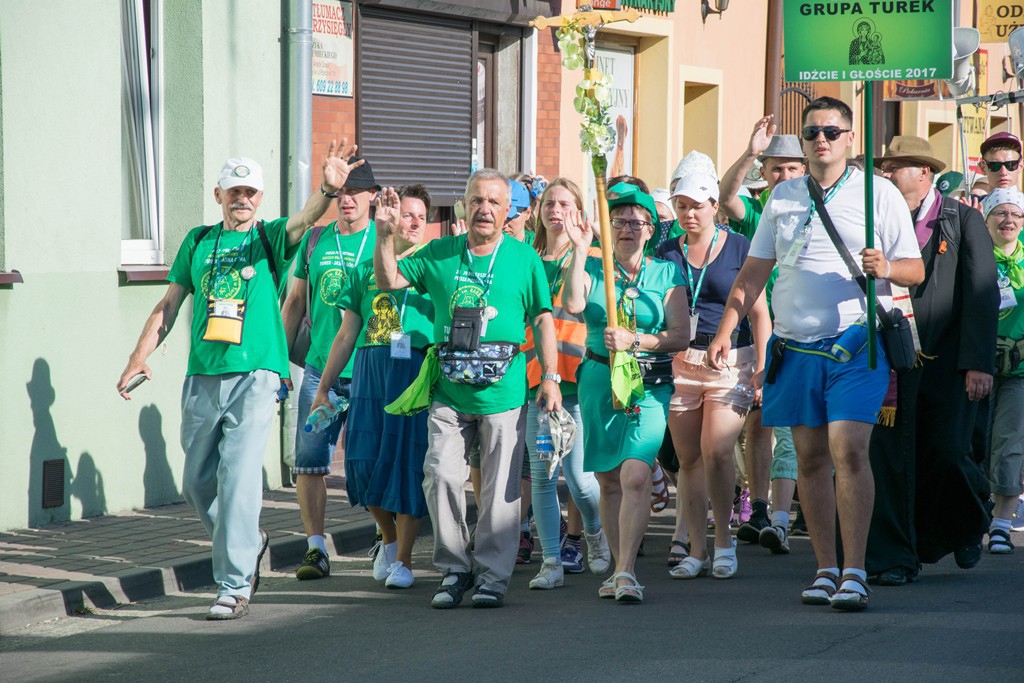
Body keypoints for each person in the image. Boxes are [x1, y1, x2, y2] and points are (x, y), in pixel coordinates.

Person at [116, 143, 360, 619]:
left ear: (260, 197)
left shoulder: (269, 239)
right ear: (218, 195)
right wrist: (138, 357)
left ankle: (233, 584)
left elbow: (302, 220)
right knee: (196, 482)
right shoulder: (198, 241)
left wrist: (328, 189)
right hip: (204, 374)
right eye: (234, 191)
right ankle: (248, 542)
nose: (241, 198)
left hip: (257, 374)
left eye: (250, 191)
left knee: (241, 479)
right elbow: (168, 305)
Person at [708, 96, 924, 611]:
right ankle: (825, 568)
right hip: (795, 348)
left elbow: (914, 269)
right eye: (811, 133)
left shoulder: (881, 195)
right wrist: (725, 330)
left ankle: (856, 570)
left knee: (849, 449)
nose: (820, 139)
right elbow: (753, 274)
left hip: (856, 343)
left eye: (831, 131)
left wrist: (887, 269)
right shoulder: (782, 196)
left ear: (851, 139)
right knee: (809, 457)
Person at [374, 168, 561, 609]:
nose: (485, 209)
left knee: (499, 491)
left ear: (508, 211)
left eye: (495, 202)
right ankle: (455, 570)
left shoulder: (523, 258)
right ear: (463, 205)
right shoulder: (439, 253)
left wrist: (550, 377)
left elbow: (543, 319)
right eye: (477, 200)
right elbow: (389, 280)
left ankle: (493, 577)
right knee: (440, 474)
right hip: (449, 392)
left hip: (503, 393)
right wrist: (385, 235)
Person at [866, 136, 998, 585]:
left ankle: (969, 519)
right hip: (891, 359)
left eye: (896, 168)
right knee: (896, 456)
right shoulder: (877, 222)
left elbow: (981, 296)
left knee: (947, 451)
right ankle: (903, 552)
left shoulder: (962, 219)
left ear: (924, 172)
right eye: (884, 169)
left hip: (948, 360)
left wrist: (978, 362)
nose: (886, 175)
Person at [562, 183, 690, 604]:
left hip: (649, 385)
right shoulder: (595, 268)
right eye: (619, 221)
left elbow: (679, 335)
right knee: (608, 480)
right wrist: (581, 249)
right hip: (599, 381)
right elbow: (574, 304)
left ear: (650, 229)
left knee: (635, 473)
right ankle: (620, 569)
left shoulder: (667, 272)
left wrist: (636, 341)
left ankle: (625, 570)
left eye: (636, 222)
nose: (627, 228)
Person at [309, 184, 434, 588]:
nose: (412, 222)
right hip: (368, 371)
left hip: (412, 374)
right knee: (361, 464)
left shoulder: (433, 268)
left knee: (406, 467)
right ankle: (388, 535)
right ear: (390, 218)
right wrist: (323, 387)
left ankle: (405, 560)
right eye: (405, 214)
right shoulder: (364, 270)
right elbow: (346, 335)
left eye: (419, 216)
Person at [657, 171, 771, 580]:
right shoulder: (666, 248)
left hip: (730, 360)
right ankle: (697, 549)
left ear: (714, 206)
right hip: (680, 362)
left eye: (697, 205)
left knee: (718, 450)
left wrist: (762, 367)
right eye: (681, 205)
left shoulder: (739, 245)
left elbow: (759, 311)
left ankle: (725, 540)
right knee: (688, 459)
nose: (689, 214)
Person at [282, 157, 379, 581]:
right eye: (341, 194)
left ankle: (384, 536)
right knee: (308, 461)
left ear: (372, 197)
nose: (346, 201)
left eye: (355, 193)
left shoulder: (384, 238)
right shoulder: (315, 240)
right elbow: (295, 303)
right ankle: (316, 548)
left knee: (371, 459)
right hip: (320, 371)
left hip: (370, 371)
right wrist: (279, 367)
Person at [718, 116, 808, 552]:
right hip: (753, 338)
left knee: (786, 426)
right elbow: (724, 196)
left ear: (805, 170)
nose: (784, 175)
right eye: (775, 168)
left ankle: (781, 517)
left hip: (798, 334)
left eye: (792, 168)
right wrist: (750, 151)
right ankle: (758, 509)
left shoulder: (815, 210)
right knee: (757, 424)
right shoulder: (757, 213)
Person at [521, 178, 611, 590]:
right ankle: (551, 562)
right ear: (539, 211)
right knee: (542, 476)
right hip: (535, 380)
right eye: (550, 203)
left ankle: (594, 534)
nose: (556, 210)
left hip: (578, 379)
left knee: (578, 478)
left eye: (565, 203)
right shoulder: (524, 257)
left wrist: (580, 248)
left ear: (578, 211)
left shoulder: (593, 256)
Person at [983, 188, 1024, 555]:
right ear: (987, 219)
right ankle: (979, 509)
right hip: (978, 366)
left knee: (1010, 441)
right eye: (1000, 213)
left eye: (1015, 214)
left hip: (1021, 368)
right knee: (978, 440)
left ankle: (1002, 521)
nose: (1008, 219)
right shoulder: (976, 257)